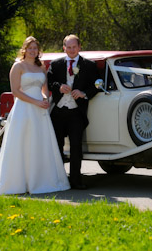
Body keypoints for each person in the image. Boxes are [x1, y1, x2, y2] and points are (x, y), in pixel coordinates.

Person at [0, 36, 71, 194]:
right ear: (24, 50)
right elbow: (16, 91)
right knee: (22, 143)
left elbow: (44, 88)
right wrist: (35, 101)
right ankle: (18, 182)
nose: (33, 51)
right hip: (24, 108)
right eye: (30, 48)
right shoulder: (18, 66)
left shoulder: (41, 67)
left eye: (35, 48)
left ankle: (40, 180)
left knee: (40, 143)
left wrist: (46, 98)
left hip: (40, 109)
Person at [48, 34, 100, 189]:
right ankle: (57, 180)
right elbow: (48, 82)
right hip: (57, 111)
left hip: (76, 112)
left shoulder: (89, 65)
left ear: (79, 47)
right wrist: (59, 87)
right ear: (64, 48)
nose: (71, 50)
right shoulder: (55, 64)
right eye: (68, 47)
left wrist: (84, 93)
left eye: (74, 47)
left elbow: (97, 85)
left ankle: (76, 181)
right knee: (56, 147)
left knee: (76, 147)